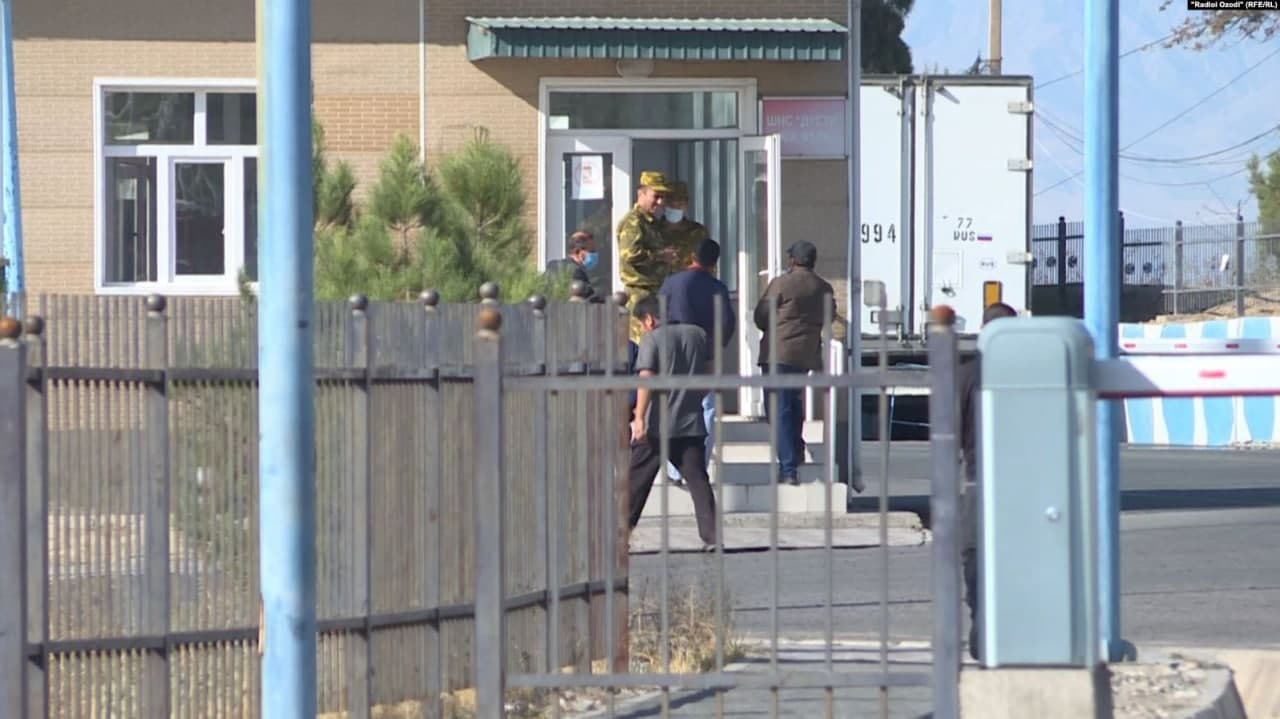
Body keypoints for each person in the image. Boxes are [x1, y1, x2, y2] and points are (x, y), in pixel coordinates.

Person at [627, 296, 717, 549]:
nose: (642, 328)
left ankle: (619, 535)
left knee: (635, 482)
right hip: (690, 421)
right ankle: (712, 536)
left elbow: (646, 379)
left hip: (656, 424)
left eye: (641, 323)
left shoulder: (652, 339)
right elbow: (710, 374)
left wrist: (639, 417)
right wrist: (693, 398)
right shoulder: (698, 334)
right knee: (698, 481)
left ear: (649, 319)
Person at [956, 301, 1019, 662]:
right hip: (1021, 482)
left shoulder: (965, 375)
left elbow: (948, 432)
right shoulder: (1029, 373)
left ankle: (981, 616)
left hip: (977, 480)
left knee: (974, 554)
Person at [753, 240, 837, 486]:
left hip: (777, 354)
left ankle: (788, 468)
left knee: (777, 409)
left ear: (792, 260)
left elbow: (761, 316)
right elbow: (829, 316)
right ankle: (796, 448)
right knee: (792, 404)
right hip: (804, 355)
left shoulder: (781, 283)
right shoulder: (824, 288)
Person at [658, 239, 736, 478]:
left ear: (692, 256)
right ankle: (698, 465)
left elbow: (659, 313)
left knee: (672, 404)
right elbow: (726, 323)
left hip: (672, 350)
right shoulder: (717, 288)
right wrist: (715, 347)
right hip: (704, 353)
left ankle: (674, 469)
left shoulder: (671, 283)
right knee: (707, 407)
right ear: (715, 262)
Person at [618, 170, 679, 345]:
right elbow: (630, 254)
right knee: (645, 344)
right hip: (640, 295)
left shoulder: (652, 223)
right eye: (656, 196)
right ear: (641, 194)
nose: (660, 202)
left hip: (655, 292)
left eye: (663, 197)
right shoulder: (634, 222)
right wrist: (661, 256)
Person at [661, 181, 711, 273]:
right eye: (670, 202)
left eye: (679, 203)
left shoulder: (698, 232)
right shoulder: (652, 230)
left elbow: (708, 265)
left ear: (686, 203)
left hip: (690, 281)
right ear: (663, 203)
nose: (675, 205)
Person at [545, 230, 601, 301]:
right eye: (592, 251)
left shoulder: (552, 265)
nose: (594, 254)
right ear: (579, 252)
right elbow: (589, 298)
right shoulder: (577, 273)